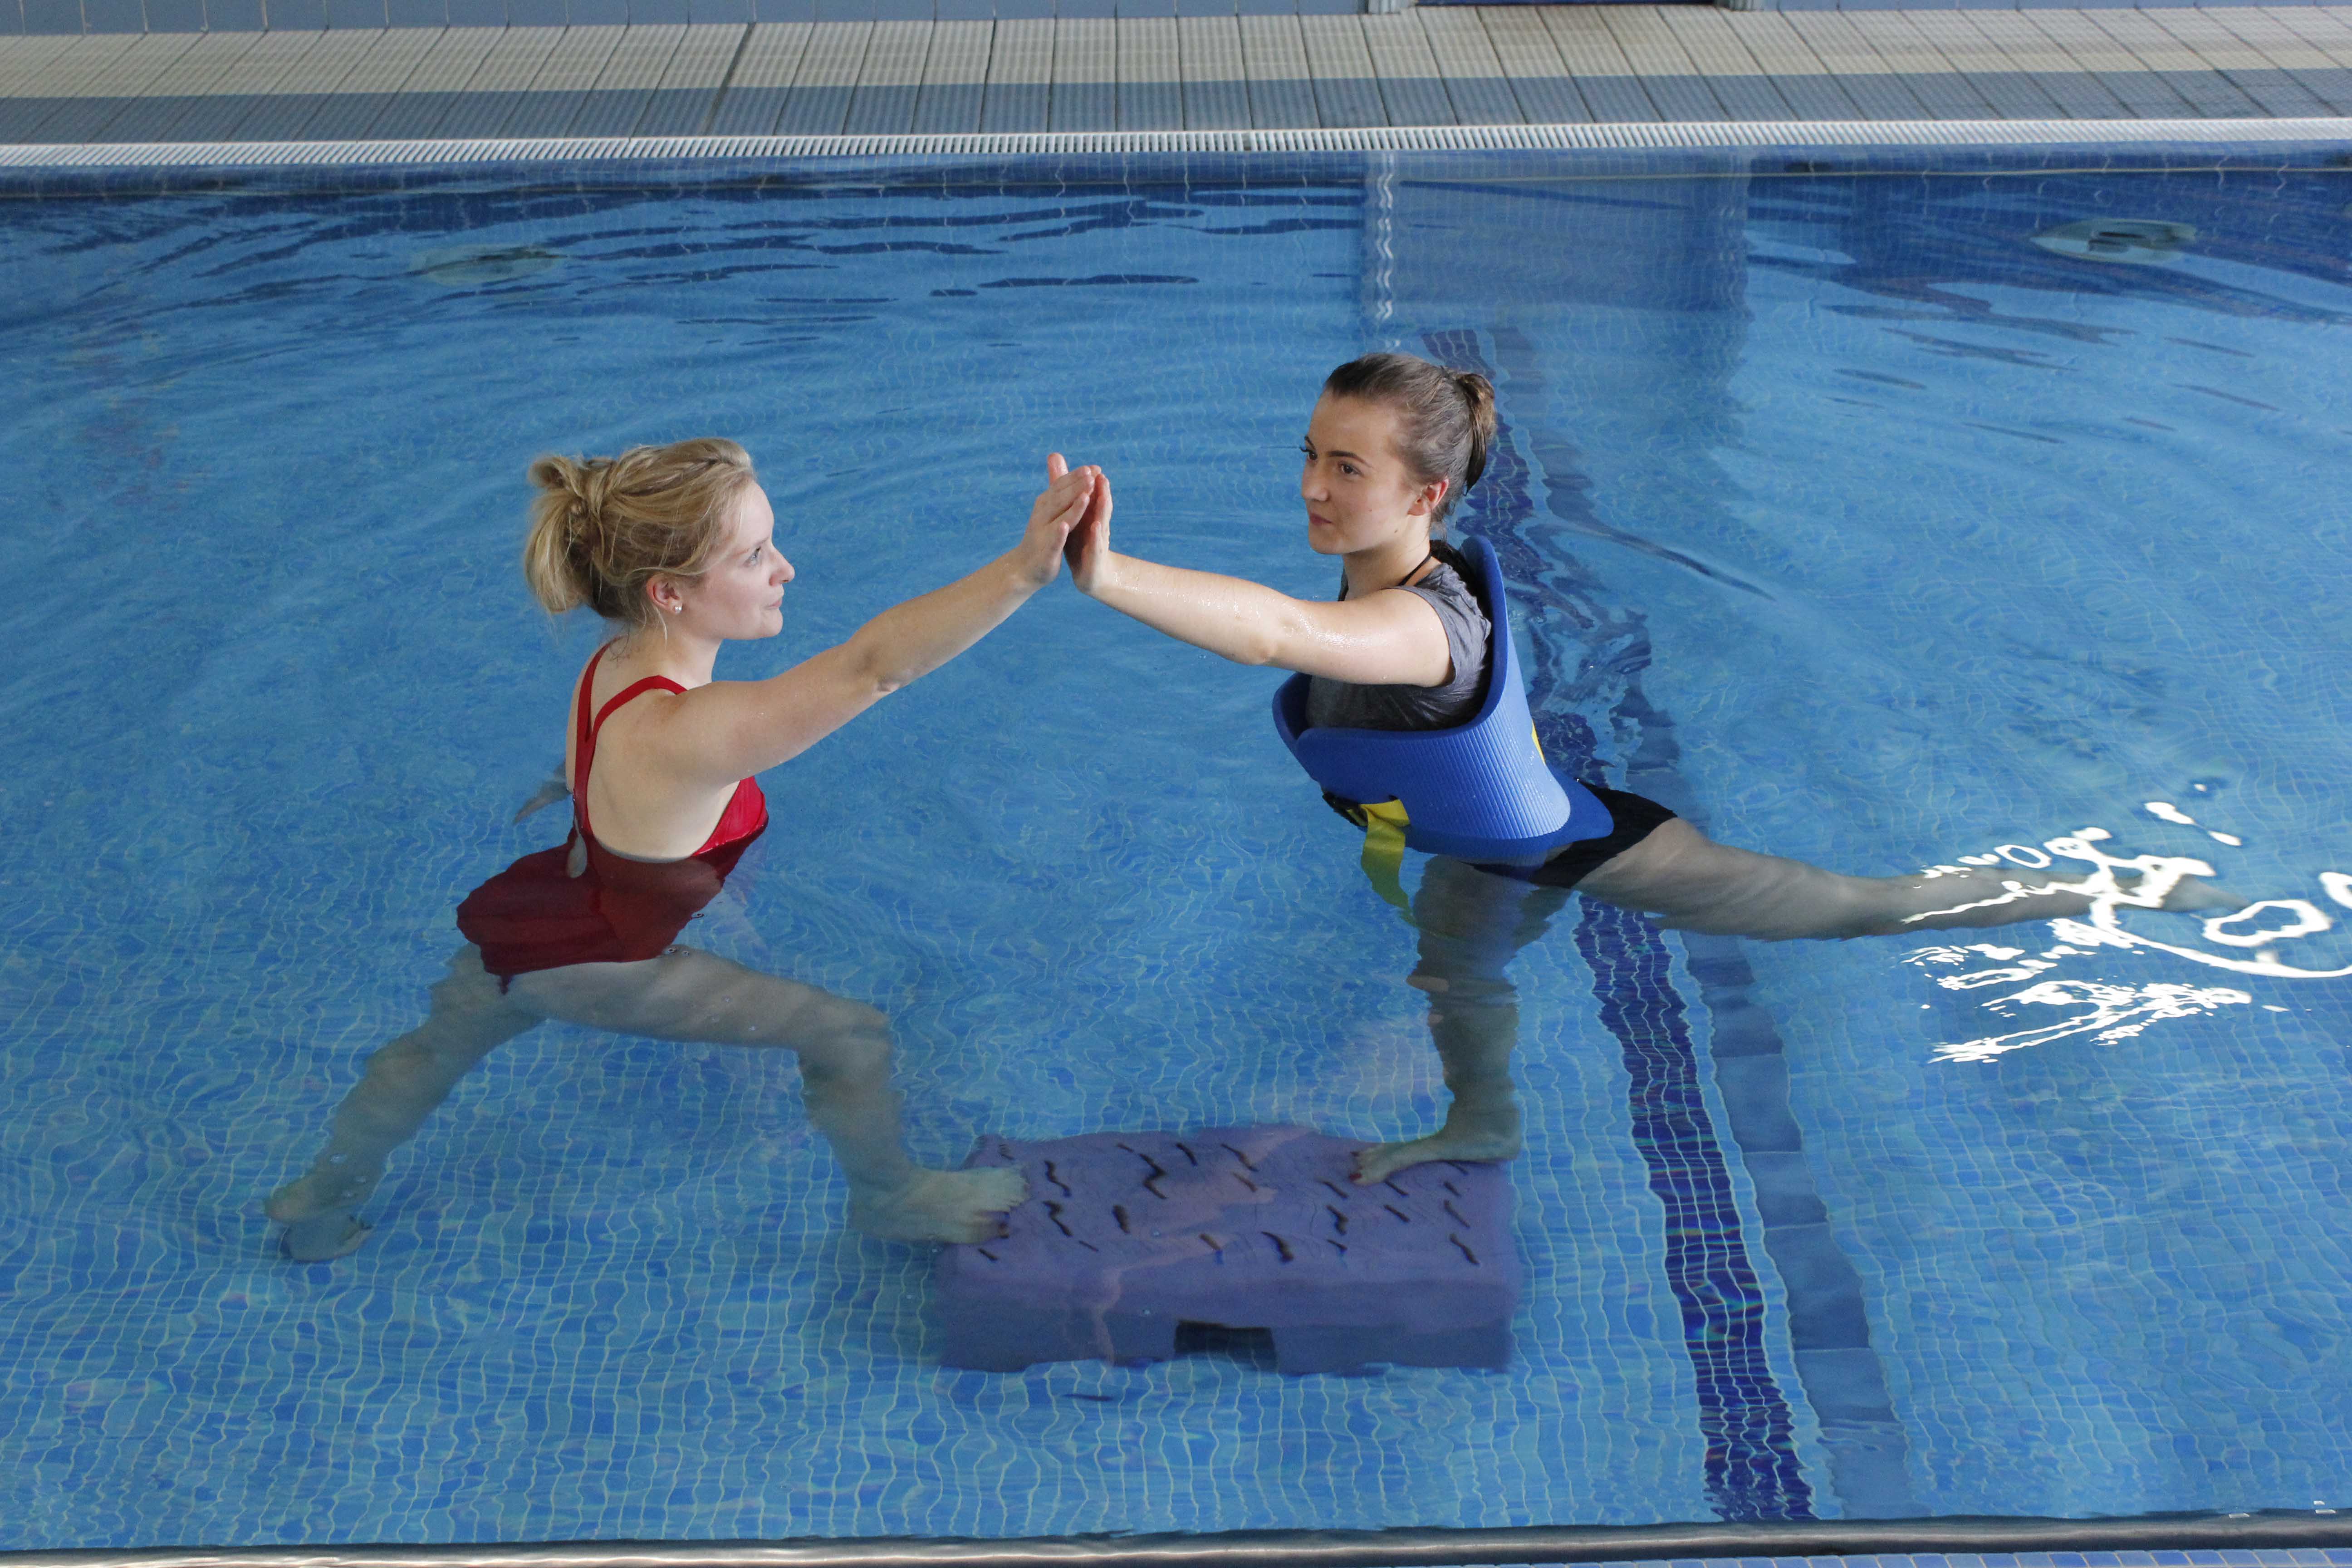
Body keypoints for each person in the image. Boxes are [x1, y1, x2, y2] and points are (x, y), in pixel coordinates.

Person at [1060, 353, 2203, 1185]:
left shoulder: (1418, 628)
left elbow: (1274, 634)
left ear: (1427, 497)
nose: (1313, 486)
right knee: (1453, 984)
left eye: (1346, 467)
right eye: (1310, 455)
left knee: (1860, 912)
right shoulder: (1383, 570)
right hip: (1491, 849)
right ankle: (1483, 1125)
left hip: (1592, 845)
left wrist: (1108, 576)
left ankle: (2116, 890)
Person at [267, 438, 1098, 1260]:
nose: (786, 570)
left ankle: (321, 1196)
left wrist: (582, 789)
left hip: (550, 902)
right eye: (754, 556)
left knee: (428, 1055)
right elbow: (872, 669)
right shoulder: (692, 729)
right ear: (667, 592)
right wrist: (1025, 570)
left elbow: (594, 772)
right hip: (611, 958)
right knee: (851, 1036)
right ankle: (890, 1196)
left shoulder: (613, 665)